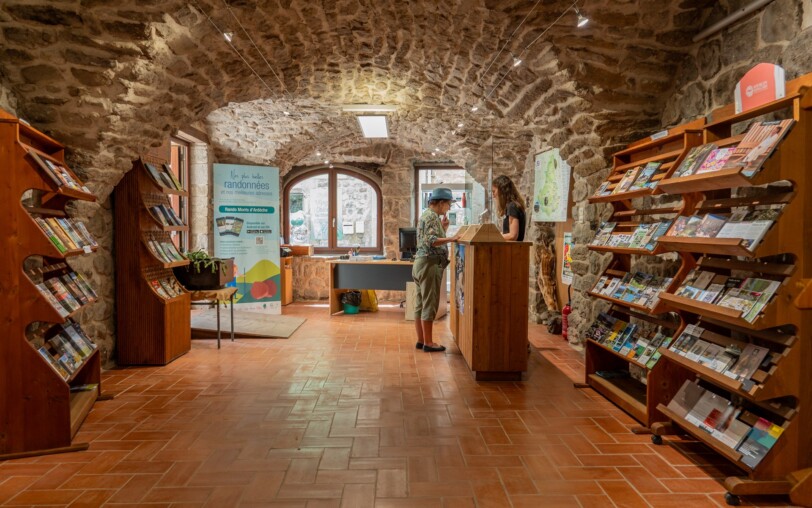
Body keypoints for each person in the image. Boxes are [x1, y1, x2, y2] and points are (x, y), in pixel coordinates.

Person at [413, 187, 460, 352]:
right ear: (440, 203)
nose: (449, 208)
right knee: (429, 304)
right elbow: (432, 241)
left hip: (420, 264)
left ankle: (421, 340)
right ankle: (429, 343)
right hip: (429, 264)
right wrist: (452, 238)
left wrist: (444, 229)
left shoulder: (426, 215)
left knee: (420, 304)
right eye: (448, 204)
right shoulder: (432, 216)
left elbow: (428, 237)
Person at [492, 175, 526, 241]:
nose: (493, 195)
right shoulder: (513, 205)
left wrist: (493, 237)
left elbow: (513, 235)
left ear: (502, 191)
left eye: (494, 191)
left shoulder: (512, 206)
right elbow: (508, 233)